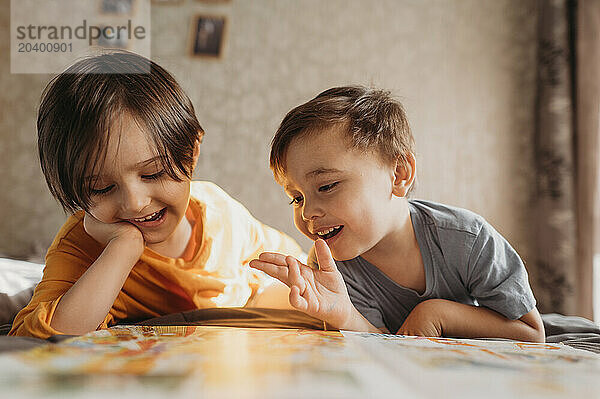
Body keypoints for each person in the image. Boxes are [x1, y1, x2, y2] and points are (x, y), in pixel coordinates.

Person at [10, 50, 301, 339]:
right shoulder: (82, 245)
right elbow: (31, 339)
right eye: (101, 188)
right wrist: (123, 248)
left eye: (153, 173)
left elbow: (298, 264)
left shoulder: (219, 211)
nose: (135, 203)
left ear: (191, 153)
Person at [250, 86, 545, 342]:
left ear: (399, 174)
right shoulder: (332, 268)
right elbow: (379, 345)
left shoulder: (467, 239)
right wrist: (344, 316)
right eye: (297, 198)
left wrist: (437, 314)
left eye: (326, 186)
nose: (309, 212)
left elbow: (532, 333)